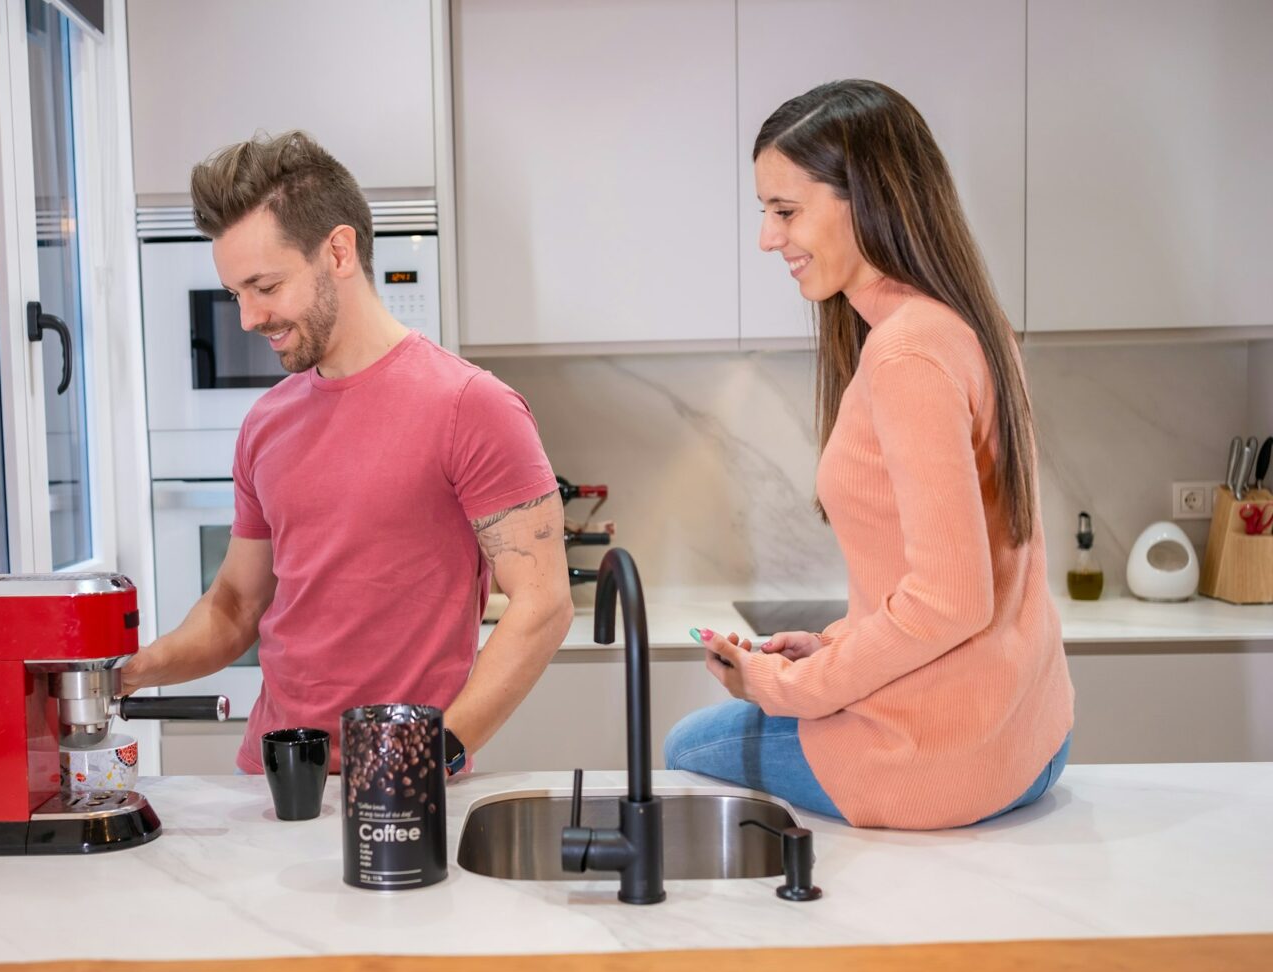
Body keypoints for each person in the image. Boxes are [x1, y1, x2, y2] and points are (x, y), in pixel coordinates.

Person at [670, 80, 1074, 829]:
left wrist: (790, 686)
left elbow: (951, 600)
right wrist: (832, 643)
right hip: (1031, 735)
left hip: (944, 756)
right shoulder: (965, 323)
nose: (767, 238)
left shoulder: (905, 354)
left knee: (684, 748)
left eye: (785, 211)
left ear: (867, 197)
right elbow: (953, 571)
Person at [120, 131, 574, 774]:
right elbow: (236, 606)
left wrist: (430, 754)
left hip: (403, 782)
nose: (248, 318)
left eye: (265, 286)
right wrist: (130, 671)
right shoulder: (265, 424)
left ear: (338, 251)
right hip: (273, 776)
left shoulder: (472, 405)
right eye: (235, 294)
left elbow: (544, 604)